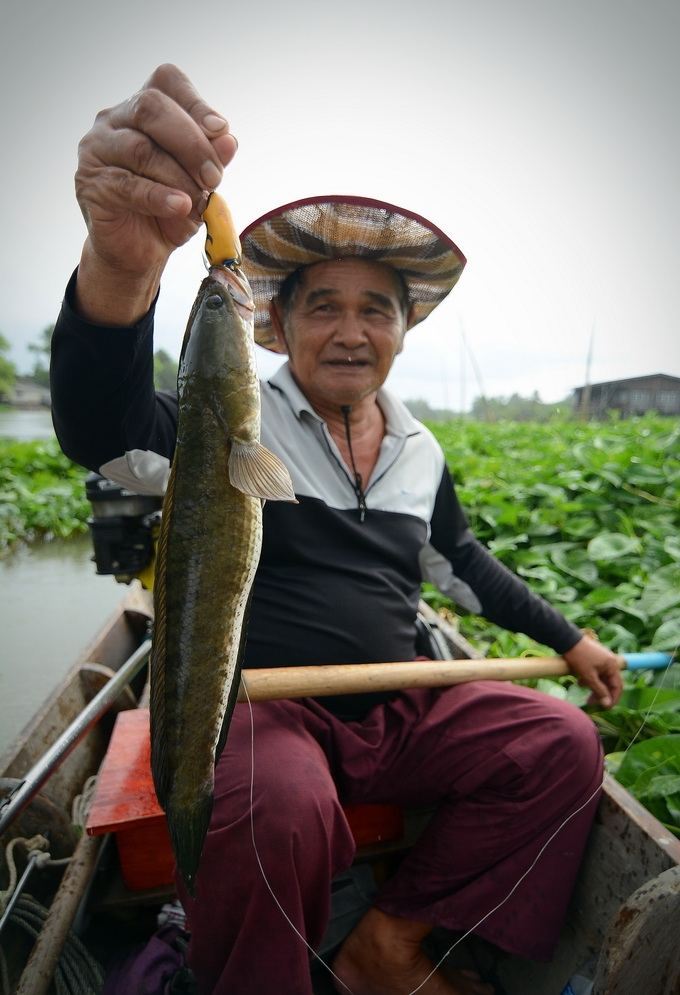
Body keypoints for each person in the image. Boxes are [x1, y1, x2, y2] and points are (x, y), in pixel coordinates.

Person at [51, 65, 623, 995]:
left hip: (395, 708)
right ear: (274, 326)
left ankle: (387, 940)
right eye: (324, 305)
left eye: (376, 309)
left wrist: (571, 639)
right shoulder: (235, 429)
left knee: (560, 746)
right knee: (277, 801)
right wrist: (121, 266)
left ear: (403, 330)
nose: (351, 331)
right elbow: (102, 432)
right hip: (268, 709)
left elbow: (465, 567)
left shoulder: (421, 451)